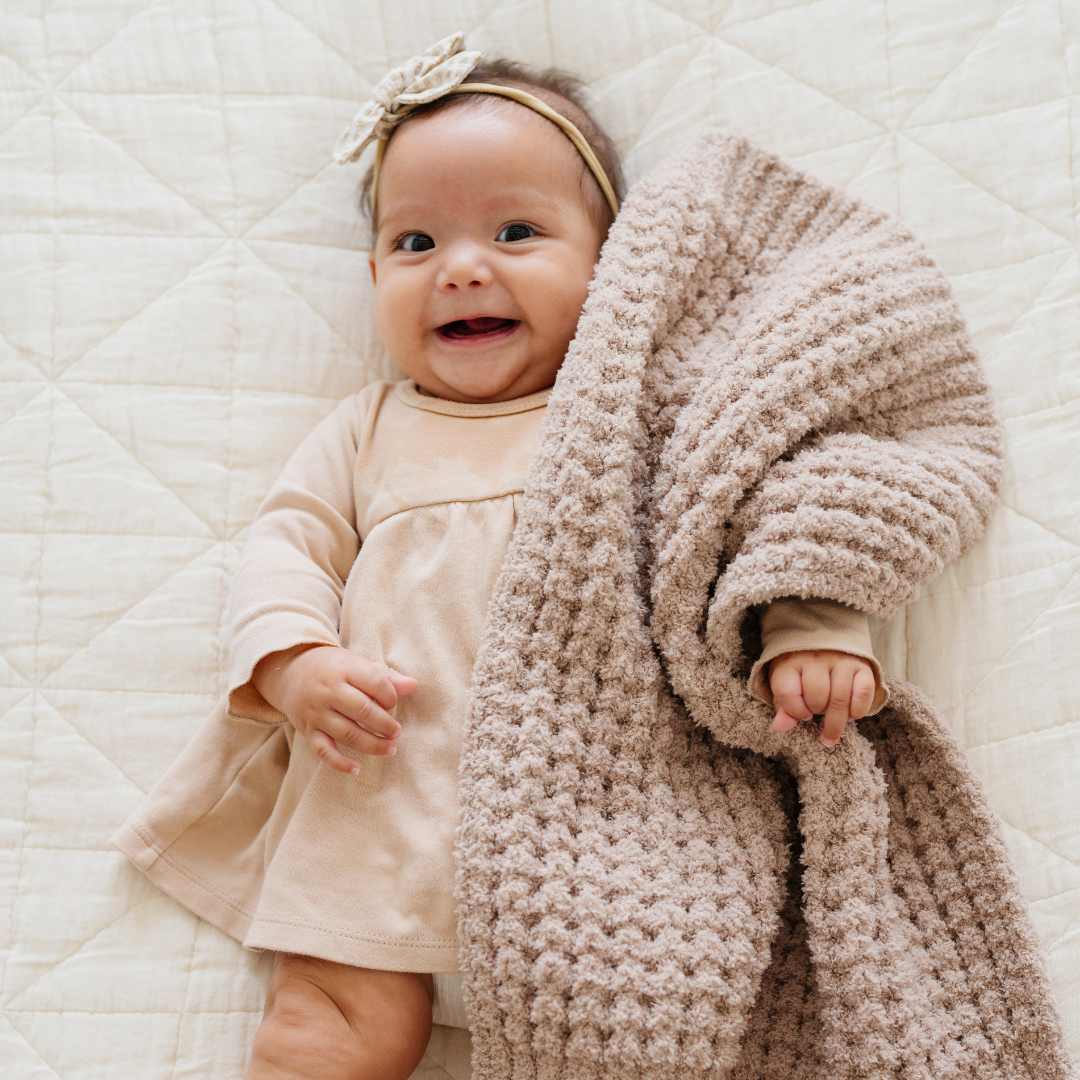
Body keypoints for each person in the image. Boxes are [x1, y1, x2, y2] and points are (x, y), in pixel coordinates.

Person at [115, 35, 889, 1080]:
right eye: (416, 240)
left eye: (517, 231)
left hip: (596, 829)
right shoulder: (370, 426)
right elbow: (287, 543)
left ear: (610, 260)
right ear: (376, 272)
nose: (464, 266)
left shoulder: (638, 422)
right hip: (379, 794)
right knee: (323, 1031)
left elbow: (755, 530)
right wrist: (293, 663)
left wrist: (810, 633)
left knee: (655, 1026)